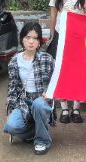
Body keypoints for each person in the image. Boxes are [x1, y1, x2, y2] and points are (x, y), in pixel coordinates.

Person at [47, 0, 86, 123]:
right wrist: (52, 35)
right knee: (60, 70)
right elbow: (53, 16)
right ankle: (64, 107)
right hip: (61, 36)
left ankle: (76, 108)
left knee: (78, 72)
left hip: (79, 38)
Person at [4, 22, 55, 155]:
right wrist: (9, 110)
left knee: (38, 104)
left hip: (42, 100)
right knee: (10, 126)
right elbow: (12, 88)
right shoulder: (14, 60)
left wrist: (49, 93)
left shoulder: (47, 59)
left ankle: (42, 140)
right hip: (23, 101)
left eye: (35, 38)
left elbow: (56, 81)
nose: (31, 41)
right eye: (28, 37)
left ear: (39, 42)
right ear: (22, 39)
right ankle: (36, 131)